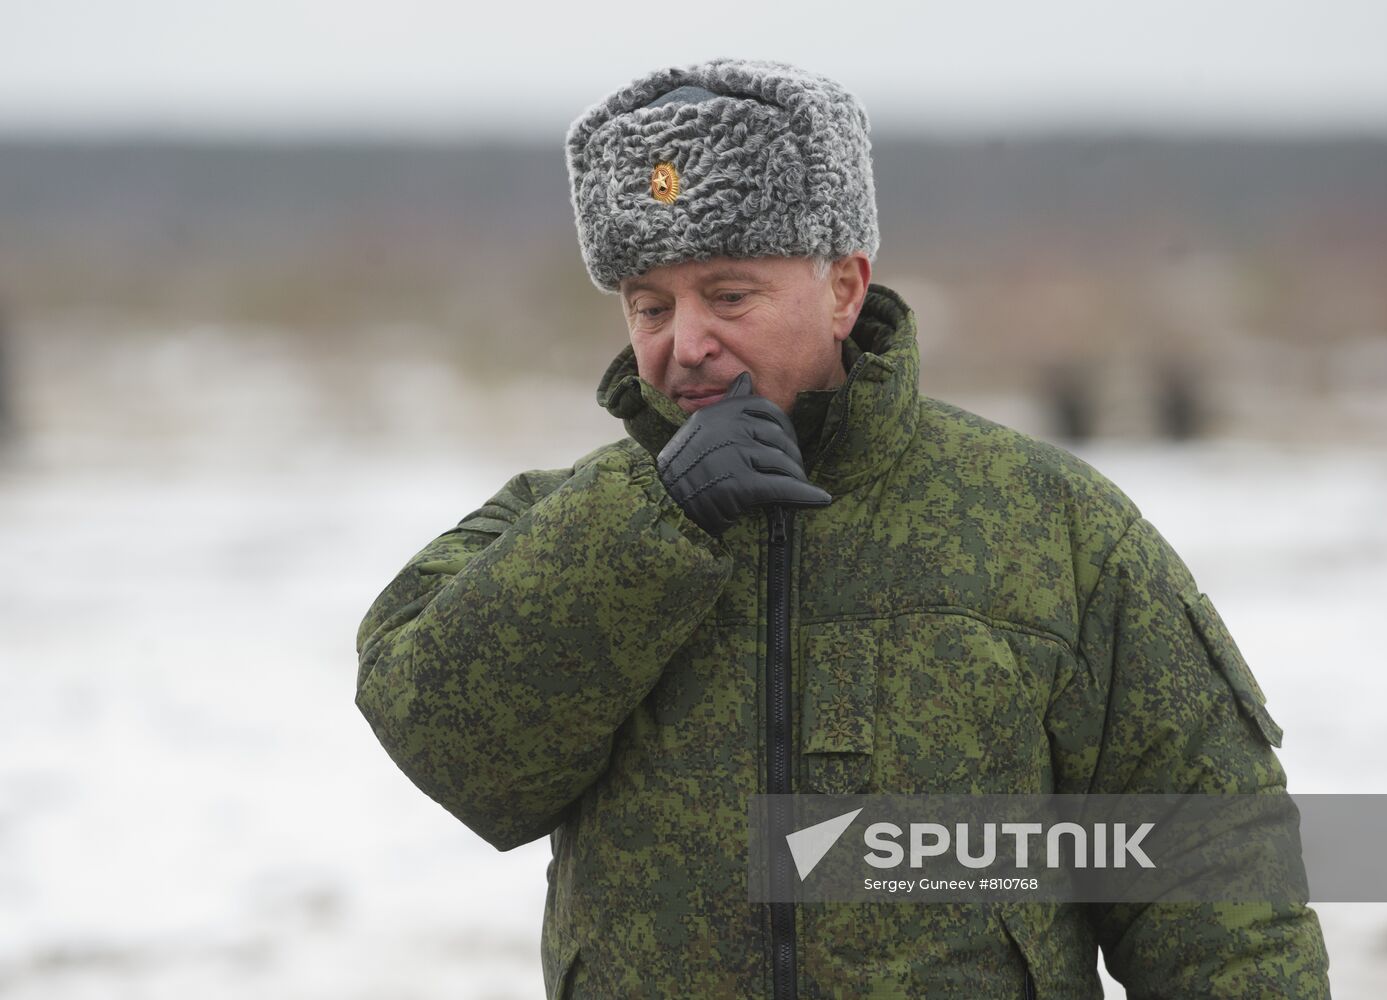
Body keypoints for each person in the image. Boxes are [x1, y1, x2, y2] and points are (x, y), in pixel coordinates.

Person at [355, 58, 1330, 998]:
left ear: (844, 287)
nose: (684, 341)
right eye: (649, 304)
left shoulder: (1052, 528)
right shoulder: (560, 524)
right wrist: (655, 519)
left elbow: (1222, 896)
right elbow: (452, 746)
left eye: (728, 294)